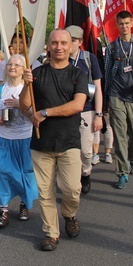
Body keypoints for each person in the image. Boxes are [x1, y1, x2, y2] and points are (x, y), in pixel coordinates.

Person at [20, 29, 88, 252]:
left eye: (63, 43)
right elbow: (25, 106)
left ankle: (69, 215)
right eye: (54, 43)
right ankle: (51, 233)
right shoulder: (37, 73)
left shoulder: (78, 74)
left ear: (71, 46)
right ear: (48, 46)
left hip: (69, 142)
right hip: (41, 143)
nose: (59, 47)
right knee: (45, 192)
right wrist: (25, 84)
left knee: (71, 189)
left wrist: (46, 112)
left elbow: (77, 105)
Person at [0, 54, 38, 228]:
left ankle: (24, 204)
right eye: (10, 64)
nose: (12, 67)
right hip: (4, 138)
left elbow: (35, 117)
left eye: (17, 65)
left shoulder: (30, 90)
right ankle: (4, 209)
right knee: (0, 170)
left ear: (24, 69)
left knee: (26, 172)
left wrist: (20, 105)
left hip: (25, 138)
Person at [103, 10, 133, 190]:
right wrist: (106, 99)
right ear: (117, 25)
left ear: (132, 24)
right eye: (121, 24)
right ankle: (122, 172)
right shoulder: (111, 48)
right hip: (117, 95)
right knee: (120, 136)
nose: (124, 27)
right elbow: (108, 74)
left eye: (126, 23)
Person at [65, 25, 103, 195]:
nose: (68, 44)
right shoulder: (59, 58)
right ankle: (72, 183)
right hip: (65, 110)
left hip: (86, 109)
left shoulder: (89, 59)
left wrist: (99, 115)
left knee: (86, 152)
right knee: (68, 151)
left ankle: (85, 173)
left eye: (72, 41)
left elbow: (98, 88)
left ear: (80, 42)